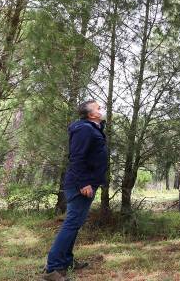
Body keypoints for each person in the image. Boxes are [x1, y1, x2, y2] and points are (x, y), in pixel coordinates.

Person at [42, 100, 108, 281]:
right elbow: (77, 158)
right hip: (80, 185)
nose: (101, 110)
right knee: (71, 224)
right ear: (91, 114)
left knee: (75, 223)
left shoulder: (91, 128)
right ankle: (52, 268)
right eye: (98, 108)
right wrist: (84, 183)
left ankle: (66, 261)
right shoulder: (84, 129)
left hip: (85, 184)